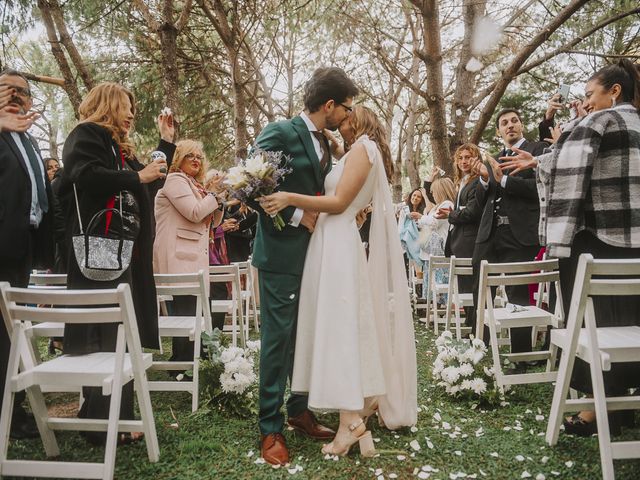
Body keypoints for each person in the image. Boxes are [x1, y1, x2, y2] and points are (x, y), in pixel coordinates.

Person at [263, 105, 417, 457]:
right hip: (330, 244)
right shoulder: (358, 151)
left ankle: (350, 421)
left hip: (336, 246)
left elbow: (339, 201)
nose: (339, 122)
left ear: (358, 122)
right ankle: (352, 420)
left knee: (341, 328)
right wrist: (334, 149)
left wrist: (288, 197)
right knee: (339, 327)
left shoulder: (364, 149)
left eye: (346, 117)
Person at [500, 59, 640, 435]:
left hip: (596, 240)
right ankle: (623, 404)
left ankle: (596, 410)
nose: (587, 102)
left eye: (590, 94)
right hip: (634, 242)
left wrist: (540, 163)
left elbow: (569, 167)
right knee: (629, 321)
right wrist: (541, 159)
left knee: (591, 324)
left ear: (615, 91)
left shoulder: (599, 121)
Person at [251, 67, 358, 465]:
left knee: (305, 336)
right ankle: (269, 427)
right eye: (346, 108)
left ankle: (299, 411)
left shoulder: (326, 143)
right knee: (278, 340)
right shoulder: (278, 131)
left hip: (316, 257)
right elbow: (250, 184)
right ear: (329, 105)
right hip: (280, 254)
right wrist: (299, 217)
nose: (348, 116)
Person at [60, 82, 175, 445]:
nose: (130, 114)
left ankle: (113, 420)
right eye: (126, 106)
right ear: (107, 105)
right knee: (104, 336)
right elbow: (85, 176)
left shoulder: (117, 148)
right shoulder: (85, 135)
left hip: (125, 254)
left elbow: (148, 179)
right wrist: (137, 176)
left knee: (122, 337)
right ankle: (101, 424)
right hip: (99, 252)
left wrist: (166, 143)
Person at [0, 70, 53, 440]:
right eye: (8, 89)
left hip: (20, 249)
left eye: (24, 92)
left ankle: (11, 410)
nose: (17, 96)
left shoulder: (30, 142)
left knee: (10, 332)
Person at [469, 108, 548, 358]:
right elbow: (482, 201)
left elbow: (540, 188)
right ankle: (479, 350)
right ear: (498, 131)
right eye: (504, 123)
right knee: (481, 290)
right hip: (489, 234)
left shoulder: (537, 151)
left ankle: (520, 355)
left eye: (514, 121)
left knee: (517, 293)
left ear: (521, 125)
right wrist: (484, 180)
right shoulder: (495, 158)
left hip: (519, 234)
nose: (510, 125)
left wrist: (503, 180)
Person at [154, 140, 223, 364]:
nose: (196, 160)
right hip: (178, 256)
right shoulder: (175, 180)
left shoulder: (195, 184)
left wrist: (217, 199)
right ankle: (181, 366)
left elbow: (212, 222)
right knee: (186, 313)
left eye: (199, 157)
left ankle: (197, 362)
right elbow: (194, 212)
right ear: (178, 159)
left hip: (193, 256)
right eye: (189, 156)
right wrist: (213, 195)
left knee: (198, 312)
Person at [436, 144, 482, 327]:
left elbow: (472, 213)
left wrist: (451, 215)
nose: (464, 161)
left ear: (476, 159)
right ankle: (470, 325)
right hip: (458, 242)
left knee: (471, 289)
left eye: (468, 157)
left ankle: (476, 329)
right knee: (464, 289)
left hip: (469, 243)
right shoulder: (461, 182)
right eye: (461, 158)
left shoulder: (477, 182)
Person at [418, 177, 456, 303]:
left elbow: (434, 222)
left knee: (440, 280)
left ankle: (442, 305)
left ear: (440, 191)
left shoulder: (447, 204)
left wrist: (421, 217)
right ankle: (434, 305)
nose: (433, 194)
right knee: (433, 280)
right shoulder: (439, 206)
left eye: (434, 191)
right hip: (432, 250)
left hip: (441, 248)